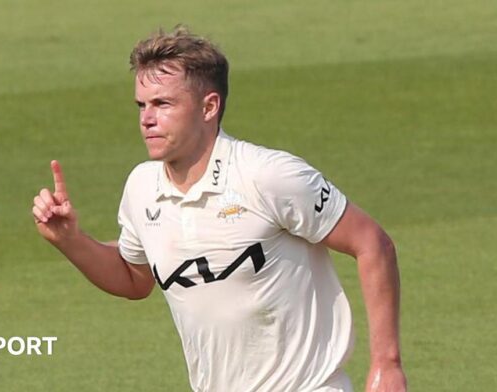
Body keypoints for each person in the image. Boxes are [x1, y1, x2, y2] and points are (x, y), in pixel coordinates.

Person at [32, 26, 407, 392]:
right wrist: (70, 241)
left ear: (209, 106)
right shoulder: (141, 188)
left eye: (163, 103)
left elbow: (372, 243)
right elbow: (134, 278)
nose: (146, 119)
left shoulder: (267, 175)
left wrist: (386, 365)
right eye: (142, 105)